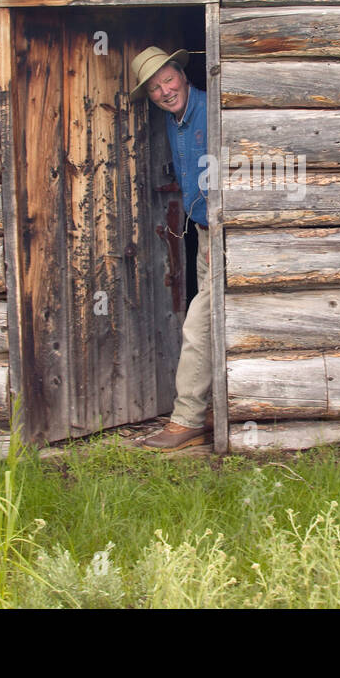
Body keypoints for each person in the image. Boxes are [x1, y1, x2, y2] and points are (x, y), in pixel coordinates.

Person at [129, 46, 214, 451]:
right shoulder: (174, 121)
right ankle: (217, 407)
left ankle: (187, 418)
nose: (164, 91)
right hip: (205, 233)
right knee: (214, 321)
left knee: (198, 323)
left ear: (183, 75)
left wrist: (221, 228)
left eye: (168, 79)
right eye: (154, 88)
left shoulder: (211, 110)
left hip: (225, 232)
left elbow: (242, 166)